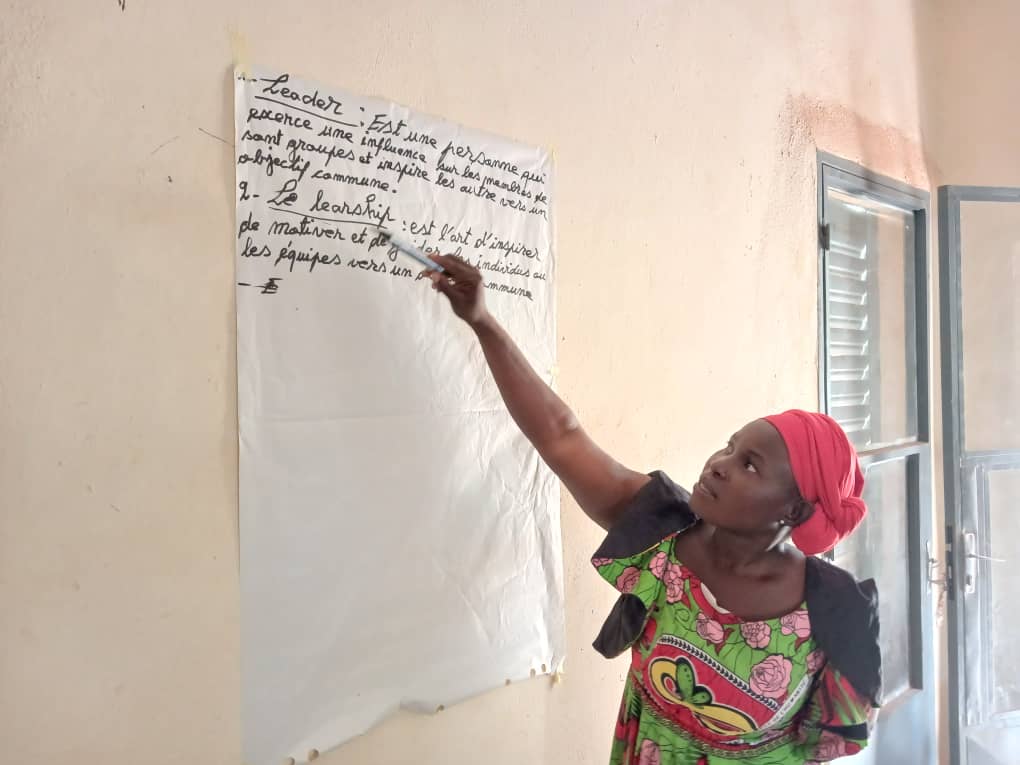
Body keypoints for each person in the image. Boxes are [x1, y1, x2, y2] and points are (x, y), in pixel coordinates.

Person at [423, 254, 881, 764]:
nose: (719, 465)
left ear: (793, 511)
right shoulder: (662, 535)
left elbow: (831, 738)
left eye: (749, 465)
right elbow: (561, 437)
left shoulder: (835, 609)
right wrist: (482, 321)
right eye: (729, 447)